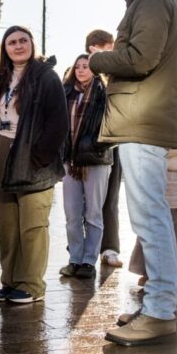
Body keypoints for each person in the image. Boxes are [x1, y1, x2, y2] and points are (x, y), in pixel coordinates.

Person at [88, 0, 177, 347]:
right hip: (148, 117)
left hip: (140, 121)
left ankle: (161, 312)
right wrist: (165, 96)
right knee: (152, 215)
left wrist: (97, 59)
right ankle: (157, 307)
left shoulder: (150, 0)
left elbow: (138, 59)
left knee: (150, 216)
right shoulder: (165, 2)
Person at [0, 25, 67, 304]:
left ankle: (32, 285)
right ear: (5, 48)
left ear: (32, 44)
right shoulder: (0, 79)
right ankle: (11, 281)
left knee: (33, 224)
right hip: (2, 151)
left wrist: (39, 156)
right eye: (12, 42)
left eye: (23, 40)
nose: (18, 46)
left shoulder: (46, 77)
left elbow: (59, 123)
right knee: (7, 224)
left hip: (33, 154)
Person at [129, 75, 177, 298]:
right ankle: (152, 271)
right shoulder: (162, 93)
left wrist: (160, 148)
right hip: (158, 168)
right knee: (155, 218)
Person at [59, 54, 113, 280]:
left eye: (86, 66)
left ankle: (89, 261)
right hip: (70, 161)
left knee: (93, 213)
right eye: (78, 66)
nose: (81, 70)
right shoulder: (66, 92)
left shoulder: (105, 93)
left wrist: (94, 145)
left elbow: (113, 125)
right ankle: (75, 259)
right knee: (72, 214)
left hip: (96, 160)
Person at [85, 29, 123, 269]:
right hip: (85, 145)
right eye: (110, 50)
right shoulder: (81, 72)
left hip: (113, 144)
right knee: (84, 201)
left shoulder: (114, 73)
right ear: (95, 49)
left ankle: (109, 248)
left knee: (110, 198)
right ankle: (82, 249)